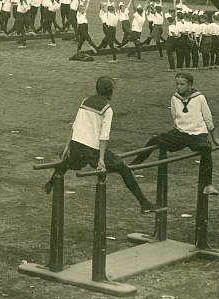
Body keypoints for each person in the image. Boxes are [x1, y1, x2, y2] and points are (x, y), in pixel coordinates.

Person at [42, 76, 154, 212]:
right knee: (124, 169)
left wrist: (67, 146)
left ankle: (50, 184)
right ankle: (144, 203)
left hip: (77, 144)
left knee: (73, 163)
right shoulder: (107, 109)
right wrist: (101, 159)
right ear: (110, 92)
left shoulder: (85, 101)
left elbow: (76, 125)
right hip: (92, 149)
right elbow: (104, 136)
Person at [129, 72, 219, 197]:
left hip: (197, 134)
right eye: (177, 84)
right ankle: (133, 166)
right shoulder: (175, 98)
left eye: (182, 84)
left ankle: (208, 185)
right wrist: (175, 133)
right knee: (154, 141)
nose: (179, 87)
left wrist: (214, 137)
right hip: (181, 133)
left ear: (190, 85)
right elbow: (175, 117)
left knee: (206, 149)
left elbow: (208, 117)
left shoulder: (199, 98)